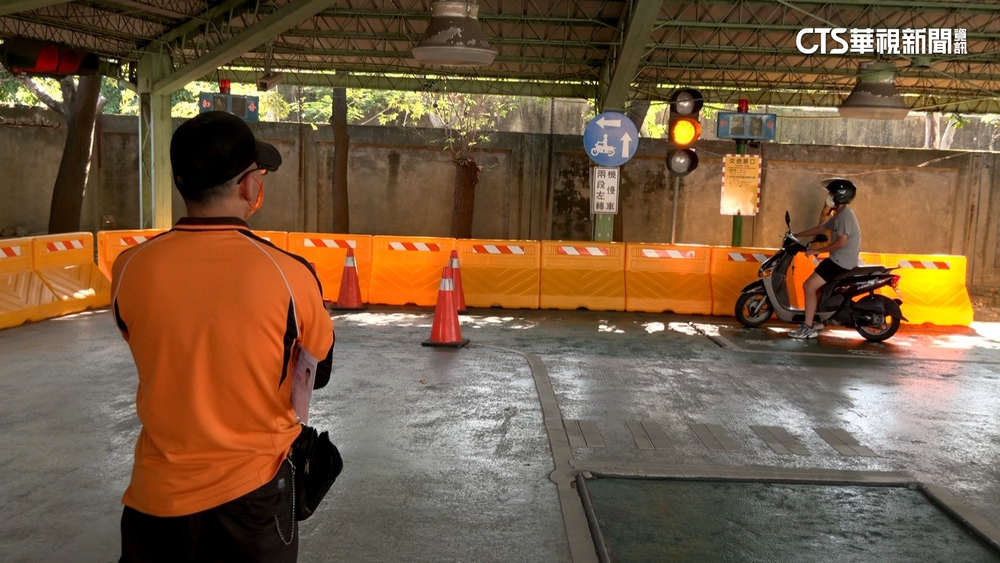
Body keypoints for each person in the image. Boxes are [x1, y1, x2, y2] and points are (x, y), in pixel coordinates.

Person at [111, 111, 335, 562]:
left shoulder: (129, 268)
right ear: (249, 187)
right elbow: (319, 371)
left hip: (156, 499)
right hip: (254, 497)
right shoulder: (291, 275)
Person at [788, 178, 861, 339]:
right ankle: (818, 322)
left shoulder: (844, 216)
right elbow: (822, 228)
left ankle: (808, 327)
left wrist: (817, 251)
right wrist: (797, 234)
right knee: (818, 288)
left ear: (840, 196)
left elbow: (841, 242)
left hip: (840, 261)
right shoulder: (840, 214)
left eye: (832, 193)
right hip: (840, 259)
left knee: (808, 286)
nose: (829, 196)